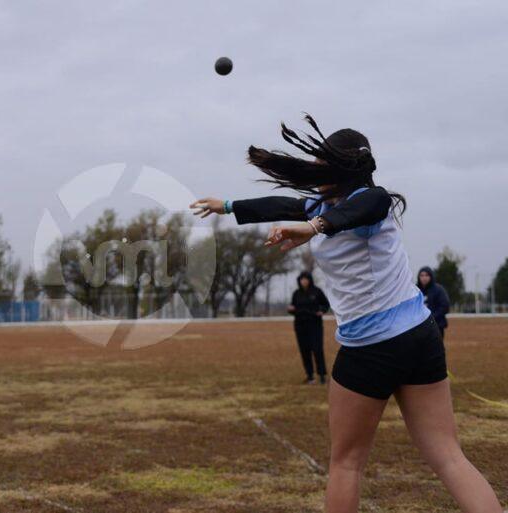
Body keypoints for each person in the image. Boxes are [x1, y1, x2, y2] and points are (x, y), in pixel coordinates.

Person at [190, 115, 502, 513]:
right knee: (448, 456)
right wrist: (229, 205)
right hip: (418, 339)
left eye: (323, 166)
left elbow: (365, 207)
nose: (316, 172)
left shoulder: (371, 202)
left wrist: (314, 227)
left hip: (371, 350)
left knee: (347, 464)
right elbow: (283, 204)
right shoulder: (324, 204)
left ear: (341, 169)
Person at [288, 270, 330, 384]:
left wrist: (322, 311)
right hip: (300, 326)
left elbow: (326, 304)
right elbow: (293, 307)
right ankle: (310, 376)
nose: (304, 281)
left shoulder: (317, 292)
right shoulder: (296, 293)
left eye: (306, 279)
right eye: (302, 279)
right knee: (304, 350)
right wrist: (290, 309)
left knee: (317, 350)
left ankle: (322, 376)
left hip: (315, 325)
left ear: (310, 280)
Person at [417, 266, 450, 339]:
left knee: (436, 350)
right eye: (422, 275)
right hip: (418, 327)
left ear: (431, 276)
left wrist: (432, 317)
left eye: (427, 275)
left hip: (436, 326)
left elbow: (445, 306)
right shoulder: (415, 291)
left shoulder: (438, 290)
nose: (424, 278)